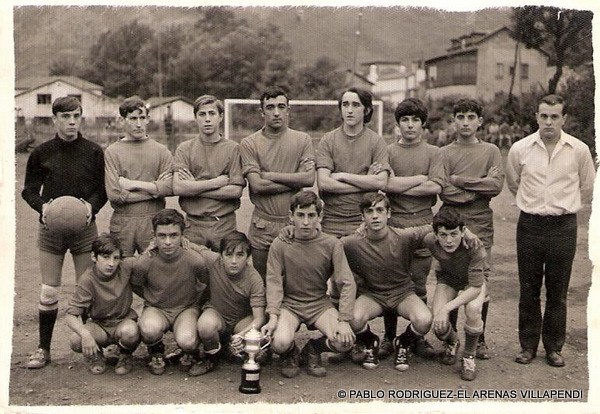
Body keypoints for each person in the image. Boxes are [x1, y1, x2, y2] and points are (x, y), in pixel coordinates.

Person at [506, 94, 595, 368]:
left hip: (563, 227)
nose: (548, 122)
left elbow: (587, 187)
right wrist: (534, 206)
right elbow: (513, 183)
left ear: (563, 119)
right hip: (530, 226)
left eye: (554, 116)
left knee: (558, 290)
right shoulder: (520, 149)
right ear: (536, 117)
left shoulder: (578, 150)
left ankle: (554, 348)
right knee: (529, 289)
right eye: (543, 116)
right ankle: (528, 346)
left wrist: (563, 206)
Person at [21, 96, 108, 369]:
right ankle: (43, 349)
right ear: (55, 119)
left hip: (84, 230)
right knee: (49, 291)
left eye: (76, 116)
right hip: (51, 230)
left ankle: (93, 351)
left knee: (87, 290)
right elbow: (29, 190)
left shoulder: (94, 151)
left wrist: (91, 207)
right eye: (66, 117)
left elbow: (103, 190)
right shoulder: (41, 152)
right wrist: (43, 207)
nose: (72, 122)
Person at [261, 191, 356, 378]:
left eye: (311, 215)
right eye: (300, 215)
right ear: (291, 216)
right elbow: (273, 282)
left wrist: (344, 320)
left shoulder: (332, 244)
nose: (305, 222)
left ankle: (313, 348)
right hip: (290, 304)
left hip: (319, 303)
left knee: (344, 342)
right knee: (279, 343)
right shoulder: (280, 244)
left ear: (320, 216)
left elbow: (347, 282)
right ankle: (291, 352)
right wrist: (273, 315)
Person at [439, 98, 504, 360]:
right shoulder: (444, 153)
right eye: (460, 117)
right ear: (453, 121)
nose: (465, 123)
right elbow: (444, 190)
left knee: (479, 276)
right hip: (450, 221)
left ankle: (480, 339)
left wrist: (461, 181)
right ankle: (451, 338)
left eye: (470, 117)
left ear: (480, 121)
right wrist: (476, 187)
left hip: (481, 222)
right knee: (452, 275)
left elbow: (495, 186)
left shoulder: (491, 151)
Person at [380, 97, 443, 360]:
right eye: (404, 120)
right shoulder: (388, 151)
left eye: (415, 120)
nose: (409, 125)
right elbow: (386, 185)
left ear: (422, 124)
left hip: (424, 225)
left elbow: (435, 186)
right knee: (392, 283)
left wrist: (400, 185)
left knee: (419, 284)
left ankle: (416, 338)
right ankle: (388, 337)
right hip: (395, 224)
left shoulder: (434, 152)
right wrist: (418, 179)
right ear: (398, 124)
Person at [344, 193, 433, 371]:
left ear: (389, 213)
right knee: (353, 318)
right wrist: (290, 231)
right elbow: (326, 244)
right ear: (362, 216)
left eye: (380, 210)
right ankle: (370, 342)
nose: (375, 216)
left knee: (424, 320)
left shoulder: (404, 236)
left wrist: (467, 233)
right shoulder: (352, 242)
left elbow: (434, 227)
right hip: (373, 295)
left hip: (402, 293)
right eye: (369, 211)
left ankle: (403, 343)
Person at [239, 86, 315, 279]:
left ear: (288, 110)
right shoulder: (249, 143)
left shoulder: (303, 140)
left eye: (281, 107)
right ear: (261, 112)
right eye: (270, 107)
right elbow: (257, 185)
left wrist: (270, 175)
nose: (276, 112)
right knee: (263, 281)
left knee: (296, 282)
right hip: (262, 225)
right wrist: (296, 180)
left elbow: (309, 179)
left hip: (295, 222)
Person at [130, 209, 209, 375]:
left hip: (186, 308)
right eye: (162, 236)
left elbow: (206, 284)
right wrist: (153, 298)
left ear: (182, 236)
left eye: (173, 235)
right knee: (149, 329)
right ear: (154, 236)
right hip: (157, 308)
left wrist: (195, 304)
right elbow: (136, 285)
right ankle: (156, 350)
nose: (168, 242)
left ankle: (190, 351)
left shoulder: (194, 260)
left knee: (187, 341)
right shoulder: (145, 261)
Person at [104, 97, 174, 257]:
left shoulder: (161, 150)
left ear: (148, 119)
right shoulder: (112, 152)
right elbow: (115, 194)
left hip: (154, 220)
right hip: (123, 222)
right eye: (133, 118)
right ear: (122, 120)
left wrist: (132, 184)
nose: (138, 124)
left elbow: (169, 188)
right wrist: (155, 191)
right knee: (122, 267)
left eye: (142, 118)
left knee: (154, 266)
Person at [316, 87, 390, 238]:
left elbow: (381, 182)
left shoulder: (376, 142)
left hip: (364, 220)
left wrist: (343, 176)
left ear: (366, 110)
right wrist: (366, 181)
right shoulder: (328, 140)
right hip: (331, 220)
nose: (349, 110)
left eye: (355, 105)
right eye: (345, 105)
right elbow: (323, 183)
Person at [173, 95, 245, 251]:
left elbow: (235, 191)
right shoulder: (184, 149)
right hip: (193, 225)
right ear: (195, 117)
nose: (207, 119)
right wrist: (216, 183)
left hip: (224, 224)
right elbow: (178, 188)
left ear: (221, 117)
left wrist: (194, 187)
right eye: (202, 114)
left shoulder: (233, 148)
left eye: (212, 113)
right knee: (193, 265)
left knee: (226, 265)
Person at [425, 208, 488, 381]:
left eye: (454, 234)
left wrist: (447, 308)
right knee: (438, 323)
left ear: (462, 231)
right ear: (435, 234)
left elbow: (475, 287)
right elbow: (409, 234)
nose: (449, 240)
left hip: (472, 282)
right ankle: (453, 341)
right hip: (449, 278)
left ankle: (469, 356)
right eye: (443, 235)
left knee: (473, 309)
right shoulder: (430, 239)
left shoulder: (475, 246)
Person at [190, 231, 266, 376]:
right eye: (229, 254)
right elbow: (193, 247)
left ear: (248, 257)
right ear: (221, 255)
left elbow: (259, 318)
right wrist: (155, 243)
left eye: (240, 255)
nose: (234, 261)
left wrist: (242, 335)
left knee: (256, 343)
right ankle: (212, 357)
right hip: (217, 313)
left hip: (241, 321)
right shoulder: (213, 261)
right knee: (205, 326)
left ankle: (242, 351)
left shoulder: (254, 279)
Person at [65, 234, 140, 375]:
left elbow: (147, 259)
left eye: (116, 258)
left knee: (131, 332)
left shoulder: (125, 267)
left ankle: (125, 354)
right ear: (94, 257)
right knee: (76, 340)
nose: (111, 263)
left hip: (123, 321)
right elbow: (70, 315)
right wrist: (85, 335)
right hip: (99, 325)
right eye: (106, 257)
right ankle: (96, 354)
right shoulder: (87, 280)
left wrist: (155, 245)